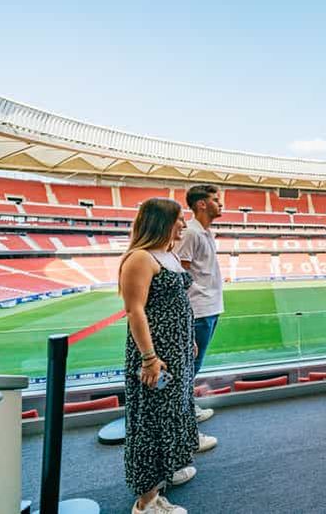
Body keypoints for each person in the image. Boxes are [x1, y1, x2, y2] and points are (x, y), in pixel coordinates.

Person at [120, 198, 198, 514]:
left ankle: (167, 470)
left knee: (175, 411)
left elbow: (179, 303)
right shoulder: (140, 258)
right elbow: (134, 311)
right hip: (158, 356)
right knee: (152, 420)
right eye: (179, 218)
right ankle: (147, 502)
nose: (183, 224)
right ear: (162, 221)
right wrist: (150, 359)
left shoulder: (168, 255)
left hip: (177, 352)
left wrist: (188, 338)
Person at [175, 184, 224, 424]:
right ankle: (181, 415)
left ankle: (184, 408)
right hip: (198, 310)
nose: (221, 204)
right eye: (216, 199)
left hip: (210, 307)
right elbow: (179, 276)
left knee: (194, 365)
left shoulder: (205, 232)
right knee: (189, 366)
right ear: (202, 204)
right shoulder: (191, 233)